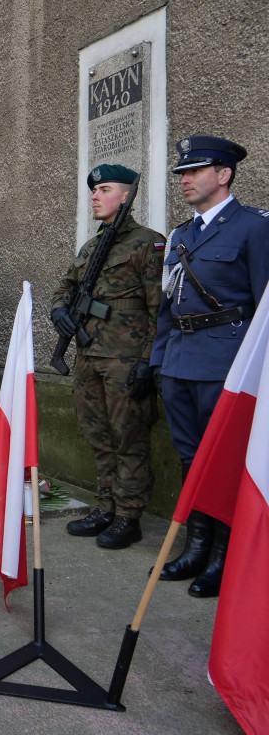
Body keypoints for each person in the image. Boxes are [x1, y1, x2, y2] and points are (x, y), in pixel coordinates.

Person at [151, 136, 269, 595]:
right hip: (180, 362)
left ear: (224, 175)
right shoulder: (181, 235)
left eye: (195, 170)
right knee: (190, 458)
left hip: (228, 362)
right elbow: (167, 307)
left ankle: (225, 556)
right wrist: (159, 360)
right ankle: (196, 546)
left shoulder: (254, 227)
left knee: (225, 460)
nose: (185, 179)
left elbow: (264, 305)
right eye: (181, 172)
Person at [51, 164, 165, 549]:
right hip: (89, 357)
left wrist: (149, 360)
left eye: (104, 189)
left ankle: (128, 516)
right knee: (98, 436)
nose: (95, 196)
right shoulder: (91, 245)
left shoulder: (148, 243)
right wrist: (59, 311)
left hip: (126, 359)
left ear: (127, 195)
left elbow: (159, 310)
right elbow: (64, 287)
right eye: (94, 190)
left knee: (129, 438)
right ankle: (105, 507)